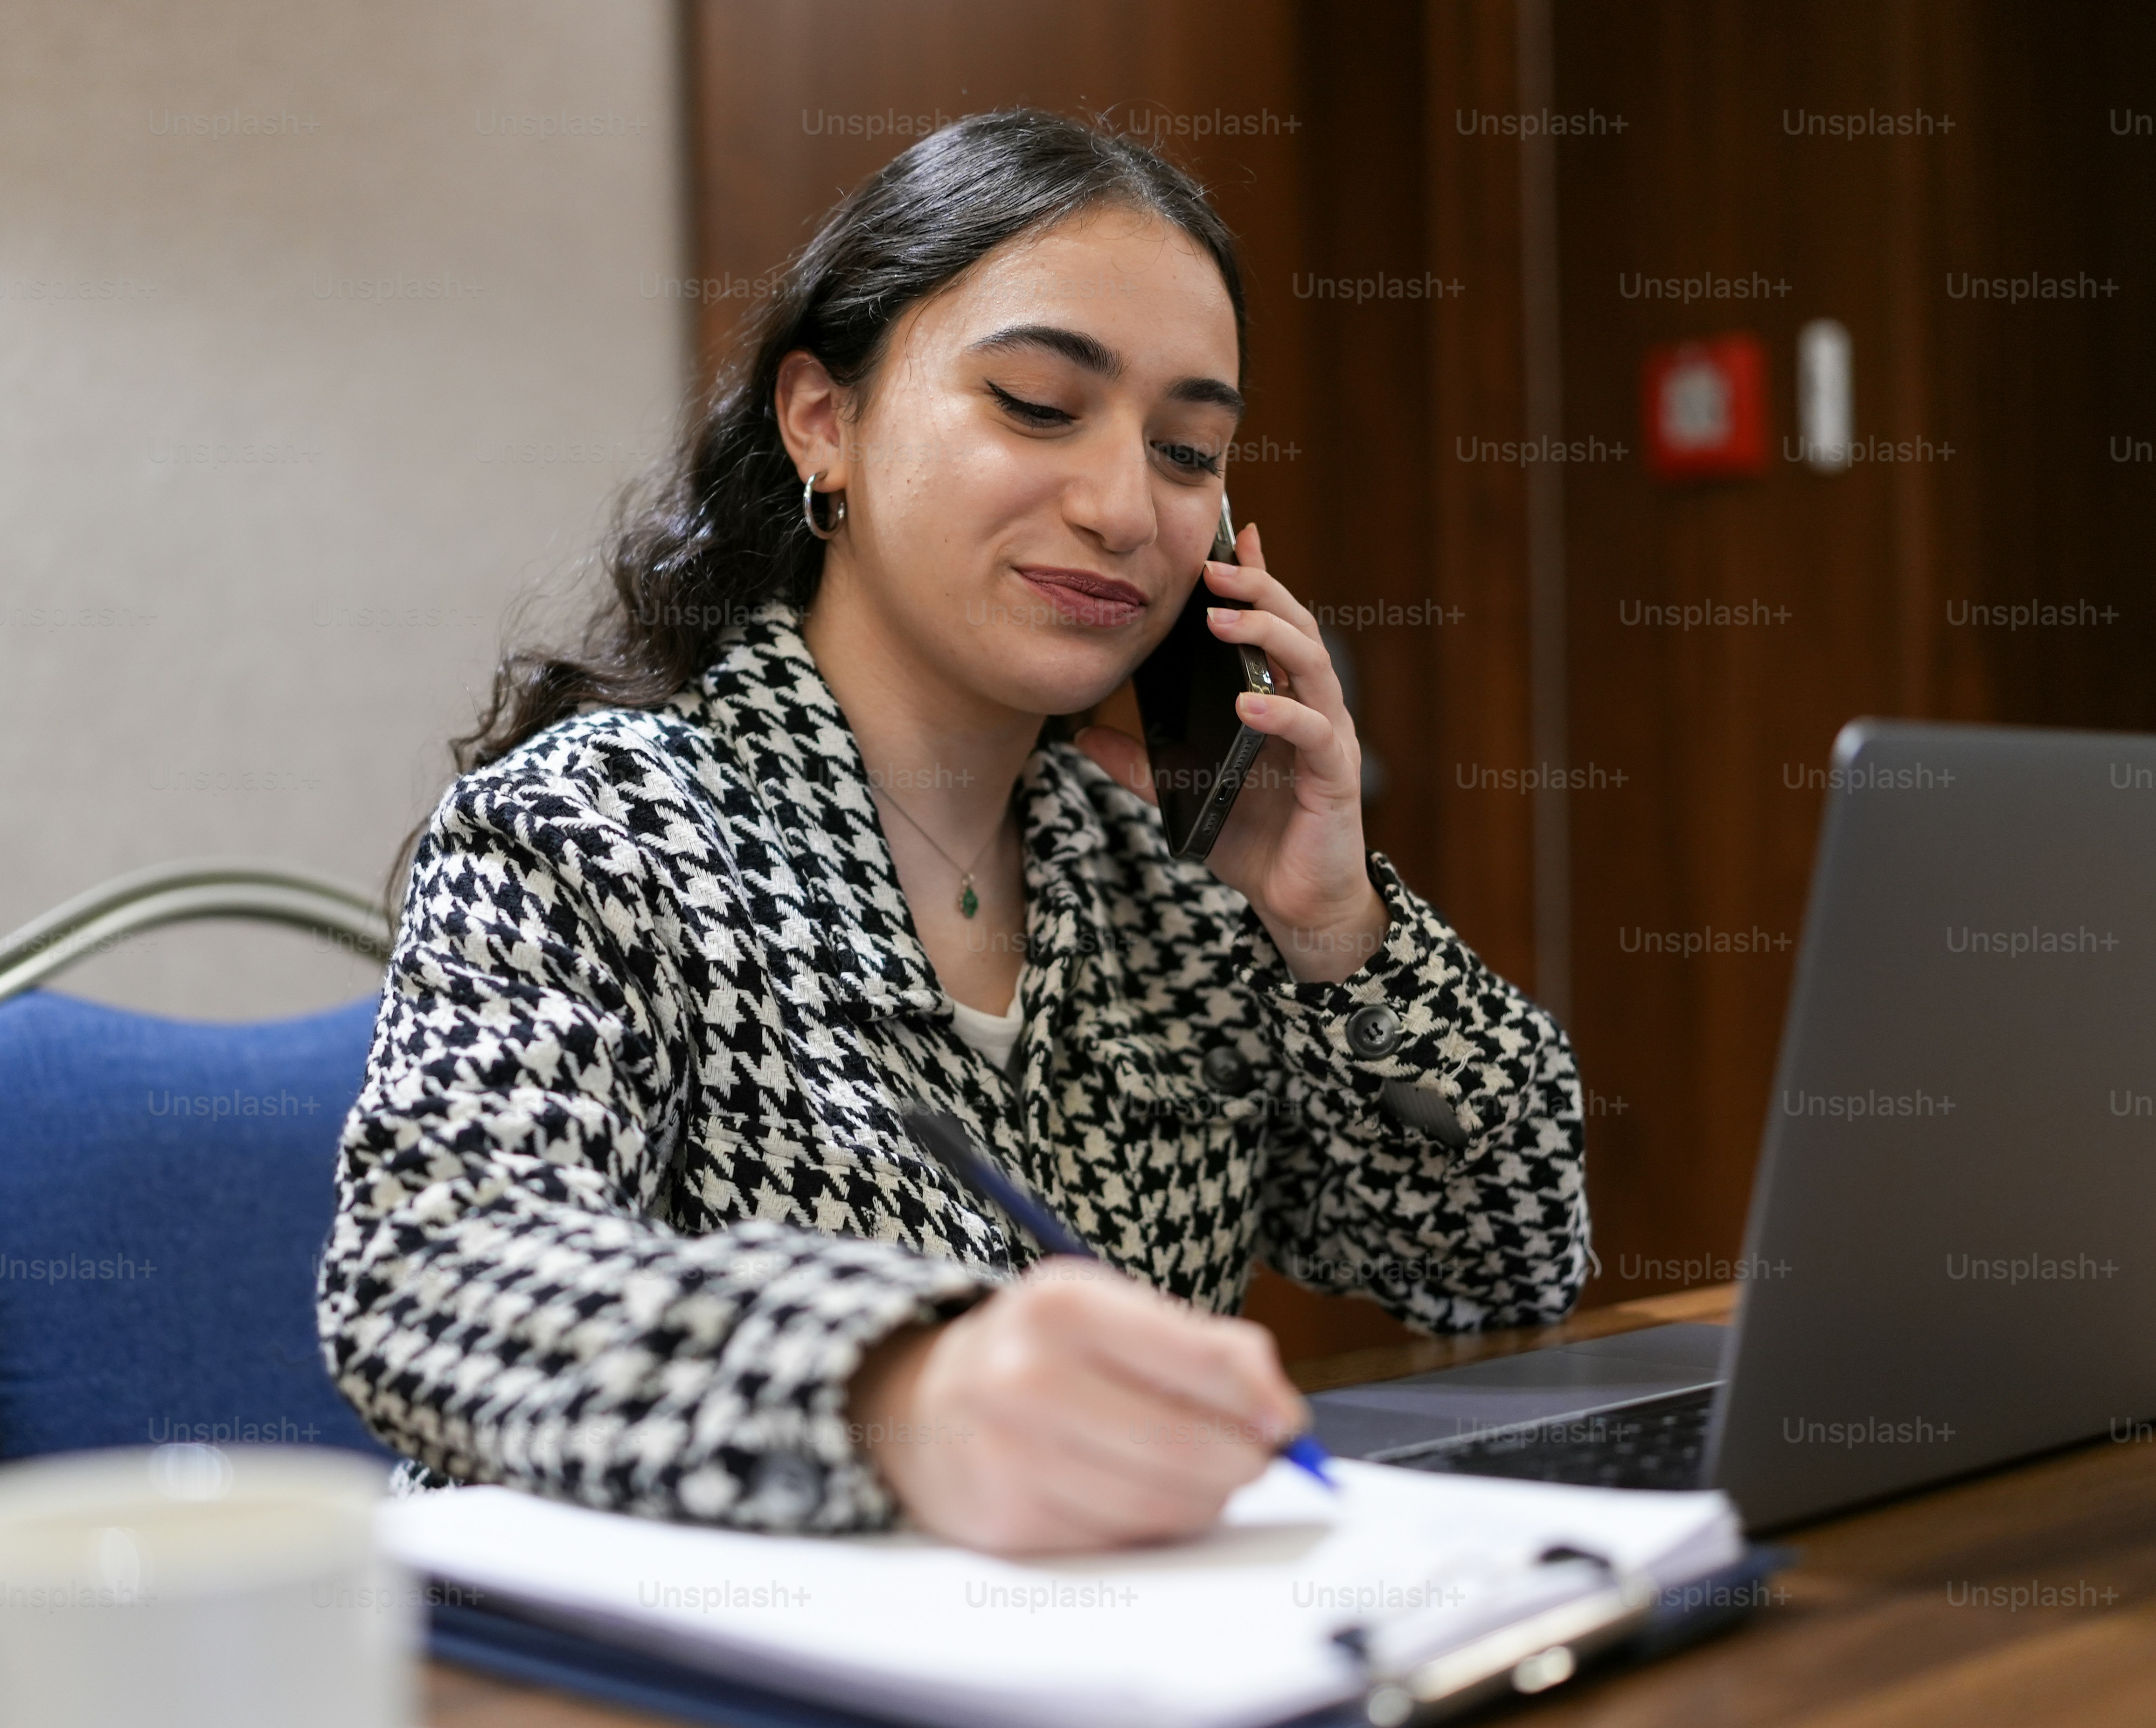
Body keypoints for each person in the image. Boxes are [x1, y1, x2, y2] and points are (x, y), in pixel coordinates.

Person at [319, 109, 1587, 1552]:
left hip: (1098, 1691)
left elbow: (1505, 1263)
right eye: (1041, 407)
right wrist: (897, 1389)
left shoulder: (1163, 891)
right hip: (690, 1707)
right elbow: (430, 1278)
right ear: (824, 421)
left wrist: (1337, 931)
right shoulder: (594, 828)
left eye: (1188, 451)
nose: (1125, 508)